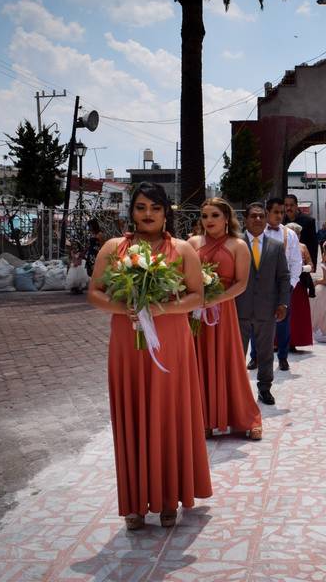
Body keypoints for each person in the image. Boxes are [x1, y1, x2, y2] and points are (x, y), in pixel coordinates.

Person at [87, 182, 212, 530]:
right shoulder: (114, 247)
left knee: (170, 415)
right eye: (141, 207)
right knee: (134, 412)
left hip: (171, 342)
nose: (148, 214)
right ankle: (135, 504)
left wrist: (158, 308)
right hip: (128, 344)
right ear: (132, 211)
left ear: (165, 211)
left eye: (155, 208)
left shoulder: (183, 249)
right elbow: (94, 293)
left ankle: (168, 497)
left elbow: (195, 297)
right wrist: (124, 305)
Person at [187, 198, 262, 441]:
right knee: (197, 362)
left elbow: (241, 283)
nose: (208, 220)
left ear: (226, 218)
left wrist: (215, 299)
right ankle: (204, 420)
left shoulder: (238, 245)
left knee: (229, 362)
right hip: (195, 312)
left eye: (214, 215)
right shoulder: (191, 243)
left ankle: (245, 418)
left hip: (224, 312)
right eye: (205, 215)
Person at [236, 203, 290, 406]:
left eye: (261, 216)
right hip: (239, 309)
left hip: (266, 310)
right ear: (245, 220)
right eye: (253, 216)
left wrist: (283, 303)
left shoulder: (275, 246)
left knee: (266, 353)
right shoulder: (235, 244)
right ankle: (237, 392)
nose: (257, 220)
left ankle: (265, 389)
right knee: (236, 354)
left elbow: (283, 277)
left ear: (266, 219)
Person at [249, 198, 302, 372]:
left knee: (283, 323)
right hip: (258, 286)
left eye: (282, 212)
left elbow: (296, 262)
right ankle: (255, 356)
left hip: (281, 286)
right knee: (255, 322)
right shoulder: (256, 232)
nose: (279, 215)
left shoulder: (290, 234)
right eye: (276, 212)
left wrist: (291, 285)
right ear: (267, 212)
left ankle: (283, 357)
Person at [285, 222, 314, 351]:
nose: (297, 235)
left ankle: (294, 341)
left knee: (297, 314)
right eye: (295, 233)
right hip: (284, 283)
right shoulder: (281, 245)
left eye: (298, 233)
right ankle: (277, 342)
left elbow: (311, 265)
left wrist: (301, 268)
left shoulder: (303, 247)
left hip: (300, 284)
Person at [284, 194, 319, 266]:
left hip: (302, 263)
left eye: (291, 205)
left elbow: (313, 245)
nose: (288, 208)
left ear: (296, 206)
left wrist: (312, 265)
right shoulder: (281, 221)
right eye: (286, 205)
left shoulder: (308, 221)